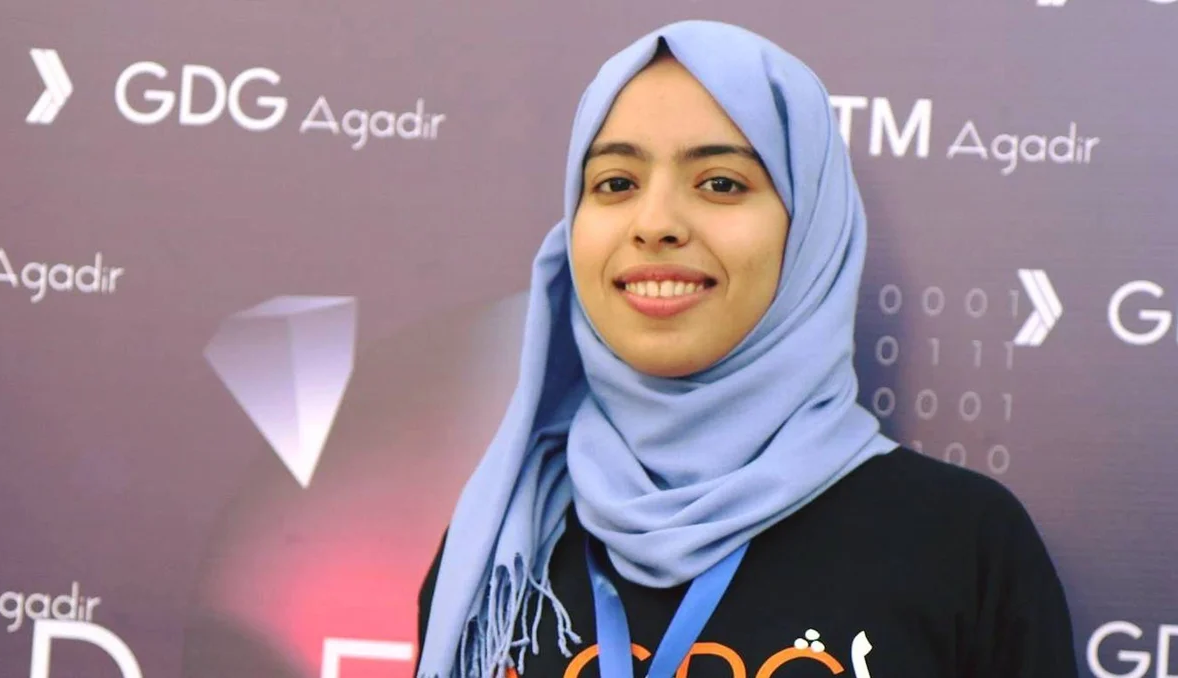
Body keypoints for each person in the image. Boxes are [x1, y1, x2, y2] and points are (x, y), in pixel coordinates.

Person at [415, 19, 1077, 678]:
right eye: (616, 183)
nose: (655, 224)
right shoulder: (501, 547)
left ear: (809, 229)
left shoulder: (959, 544)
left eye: (721, 183)